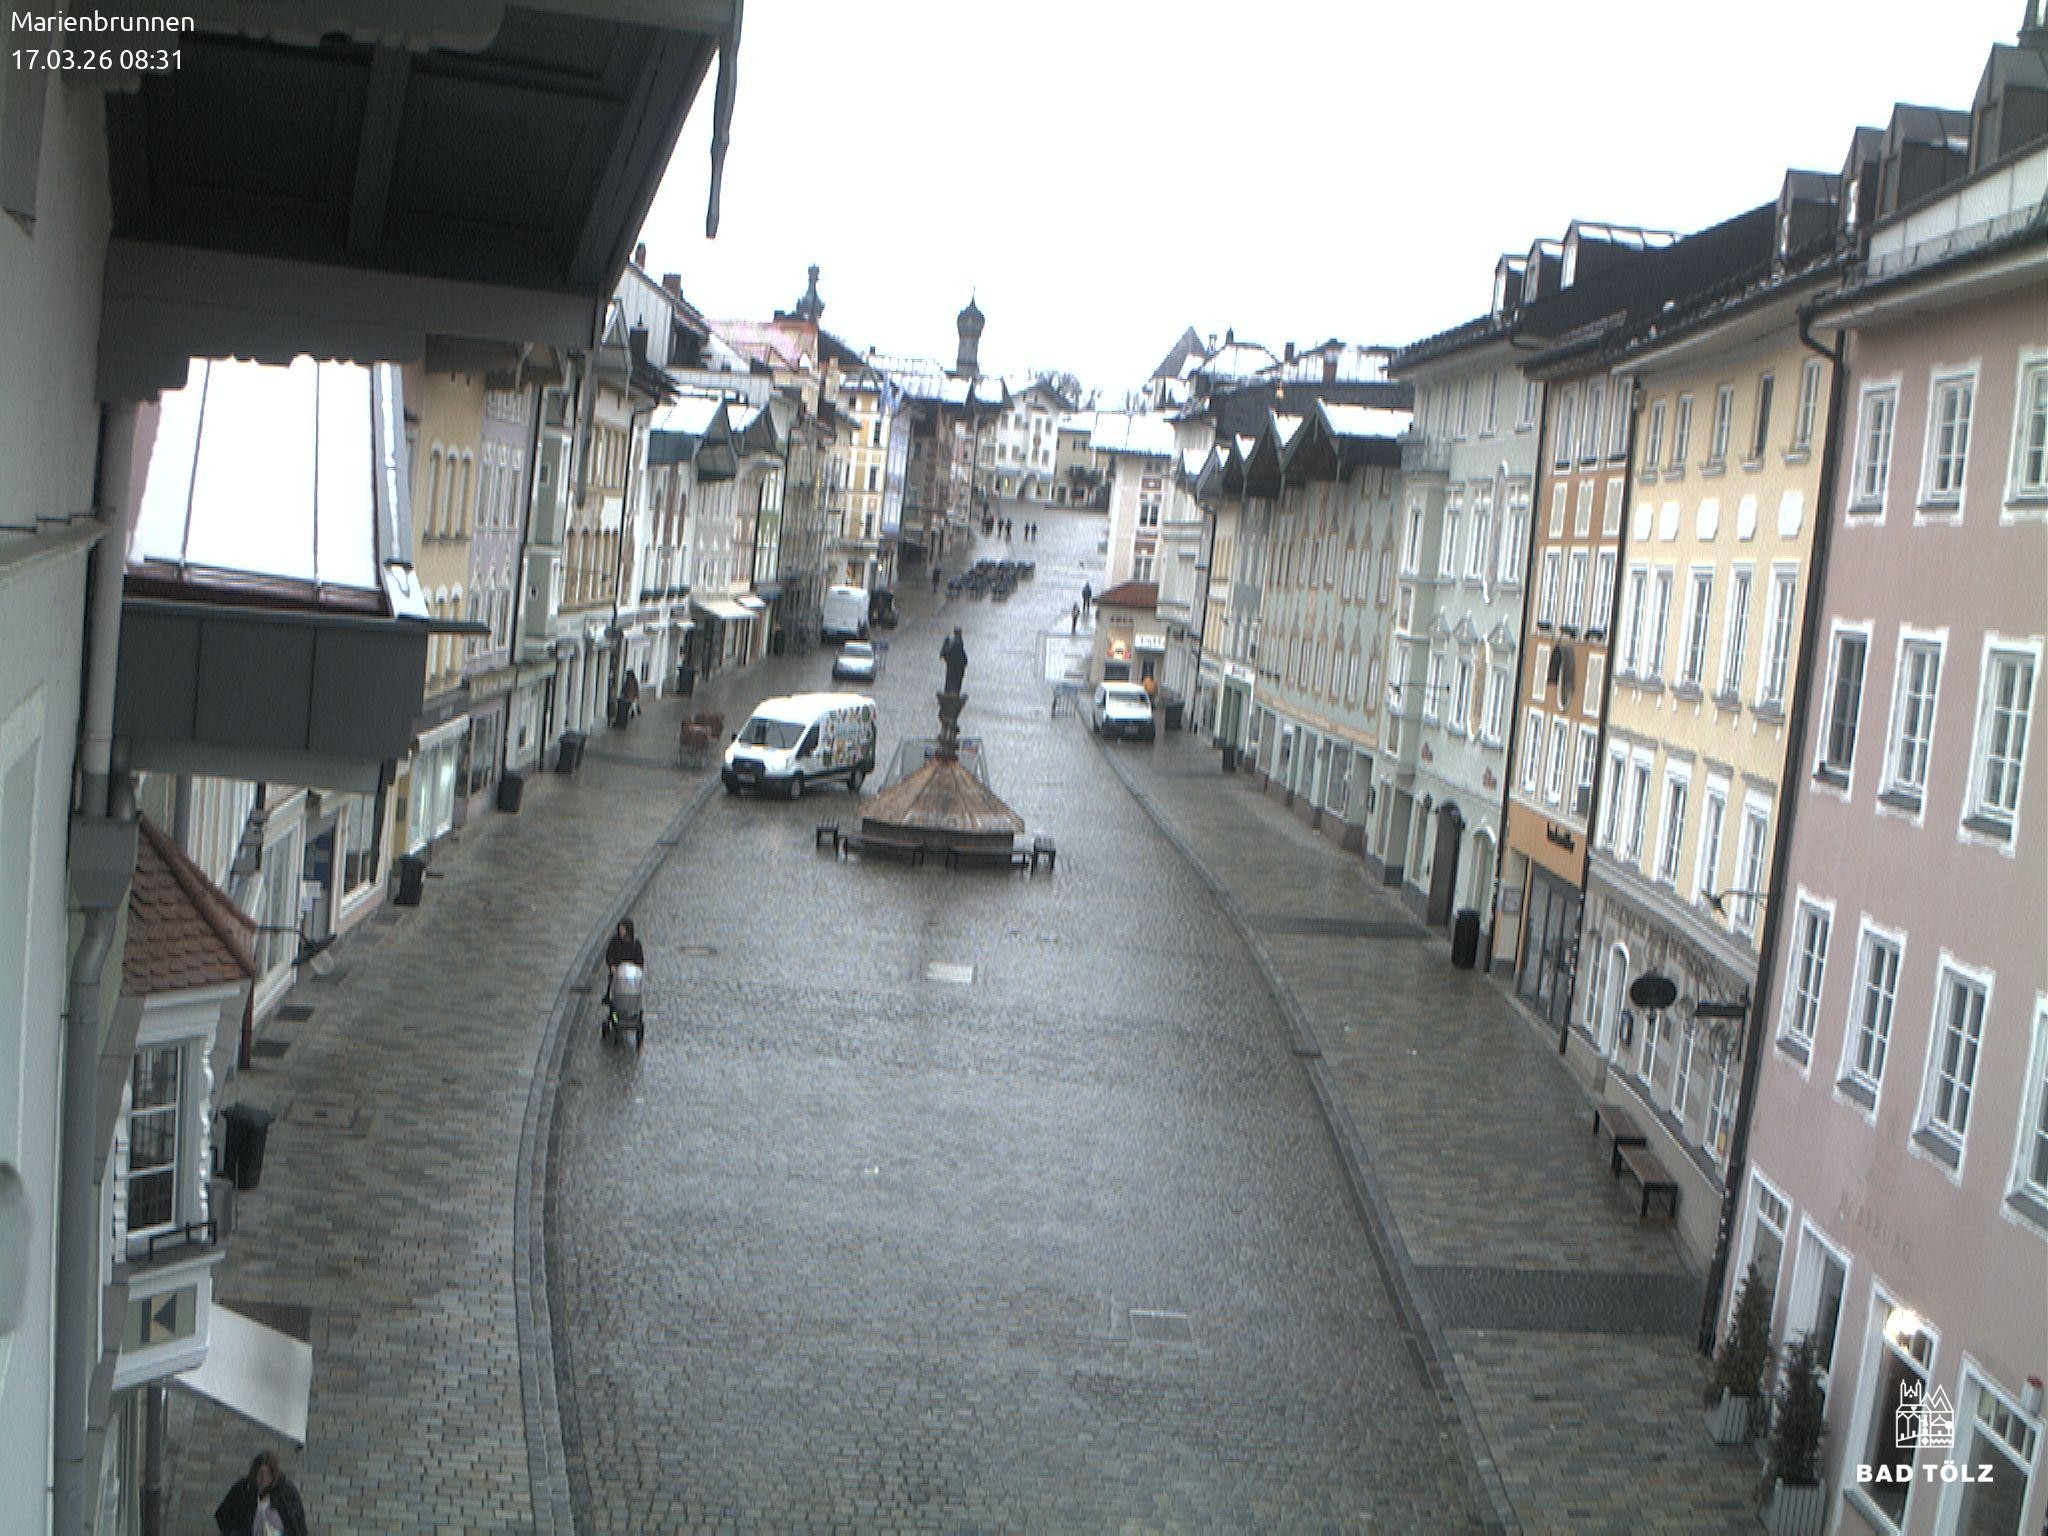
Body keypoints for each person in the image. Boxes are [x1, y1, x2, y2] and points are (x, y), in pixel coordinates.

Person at [215, 1451, 308, 1536]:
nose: (263, 1478)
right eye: (260, 1473)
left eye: (268, 1474)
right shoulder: (242, 1489)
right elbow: (222, 1514)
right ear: (254, 1473)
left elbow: (298, 1524)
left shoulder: (287, 1491)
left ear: (274, 1474)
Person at [603, 918, 644, 1016]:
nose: (621, 931)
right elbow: (609, 955)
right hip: (617, 971)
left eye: (623, 928)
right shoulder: (615, 941)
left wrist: (637, 968)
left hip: (630, 974)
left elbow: (640, 959)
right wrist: (612, 965)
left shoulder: (635, 943)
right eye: (620, 928)